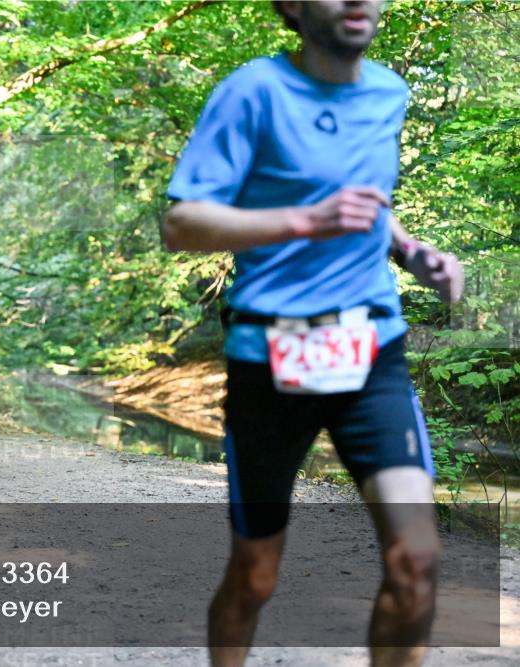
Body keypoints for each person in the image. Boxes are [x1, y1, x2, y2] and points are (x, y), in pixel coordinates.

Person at [161, 2, 464, 665]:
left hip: (370, 349)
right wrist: (304, 219)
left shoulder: (389, 93)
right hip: (271, 356)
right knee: (256, 574)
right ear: (292, 6)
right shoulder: (253, 91)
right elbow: (181, 224)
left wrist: (414, 253)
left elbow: (368, 207)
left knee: (416, 561)